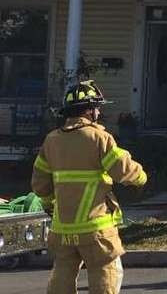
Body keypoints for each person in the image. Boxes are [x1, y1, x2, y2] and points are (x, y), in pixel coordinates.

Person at [31, 80, 147, 294]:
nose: (99, 112)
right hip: (95, 229)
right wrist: (140, 178)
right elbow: (123, 169)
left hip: (63, 229)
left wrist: (49, 204)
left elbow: (40, 184)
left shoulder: (51, 140)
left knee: (62, 275)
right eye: (97, 108)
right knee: (106, 272)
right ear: (89, 110)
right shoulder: (99, 137)